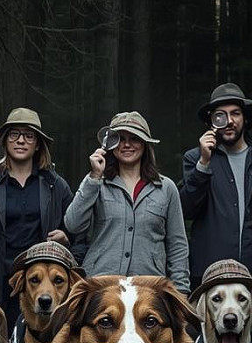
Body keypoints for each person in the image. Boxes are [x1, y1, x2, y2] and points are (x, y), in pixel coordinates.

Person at [179, 83, 252, 343]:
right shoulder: (195, 158)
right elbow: (186, 209)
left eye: (235, 114)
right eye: (220, 115)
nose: (229, 121)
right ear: (211, 122)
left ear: (245, 118)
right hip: (209, 279)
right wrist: (203, 164)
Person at [0, 107, 79, 331]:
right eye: (14, 135)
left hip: (37, 284)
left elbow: (76, 229)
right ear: (4, 142)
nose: (21, 141)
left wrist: (66, 237)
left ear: (38, 144)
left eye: (28, 136)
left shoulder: (54, 184)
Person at [63, 111, 189, 294]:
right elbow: (73, 224)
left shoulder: (166, 188)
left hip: (149, 287)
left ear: (145, 144)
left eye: (134, 138)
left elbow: (177, 245)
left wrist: (181, 290)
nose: (127, 144)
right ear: (111, 144)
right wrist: (94, 177)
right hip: (102, 285)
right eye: (120, 138)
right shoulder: (98, 182)